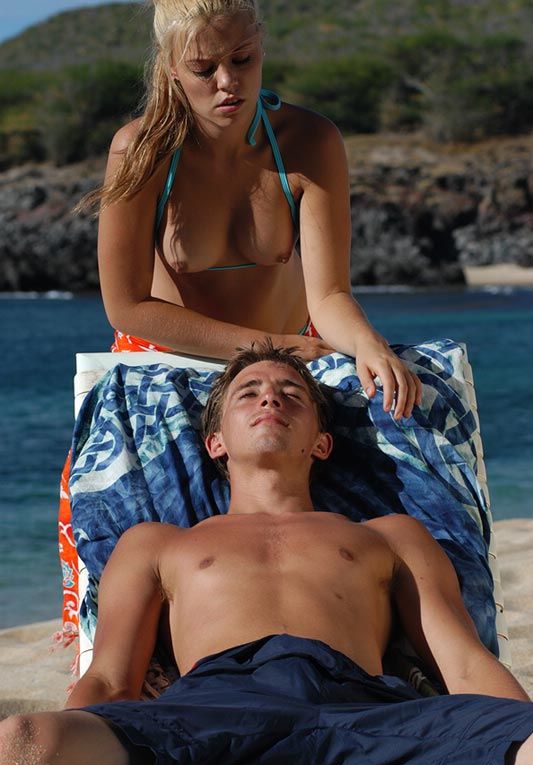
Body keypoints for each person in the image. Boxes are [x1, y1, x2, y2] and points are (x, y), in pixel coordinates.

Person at [2, 341, 533, 765]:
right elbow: (111, 679)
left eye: (292, 394)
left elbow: (464, 663)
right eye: (249, 393)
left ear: (321, 443)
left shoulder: (391, 536)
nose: (271, 399)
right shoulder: (158, 544)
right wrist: (68, 738)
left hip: (364, 712)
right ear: (216, 442)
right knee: (22, 743)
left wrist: (519, 728)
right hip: (211, 712)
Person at [58, 0, 422, 646]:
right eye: (204, 68)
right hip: (171, 363)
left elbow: (329, 294)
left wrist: (367, 344)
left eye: (243, 59)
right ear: (171, 66)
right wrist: (270, 347)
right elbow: (126, 306)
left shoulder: (309, 142)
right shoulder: (142, 149)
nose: (228, 82)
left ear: (261, 47)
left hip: (283, 367)